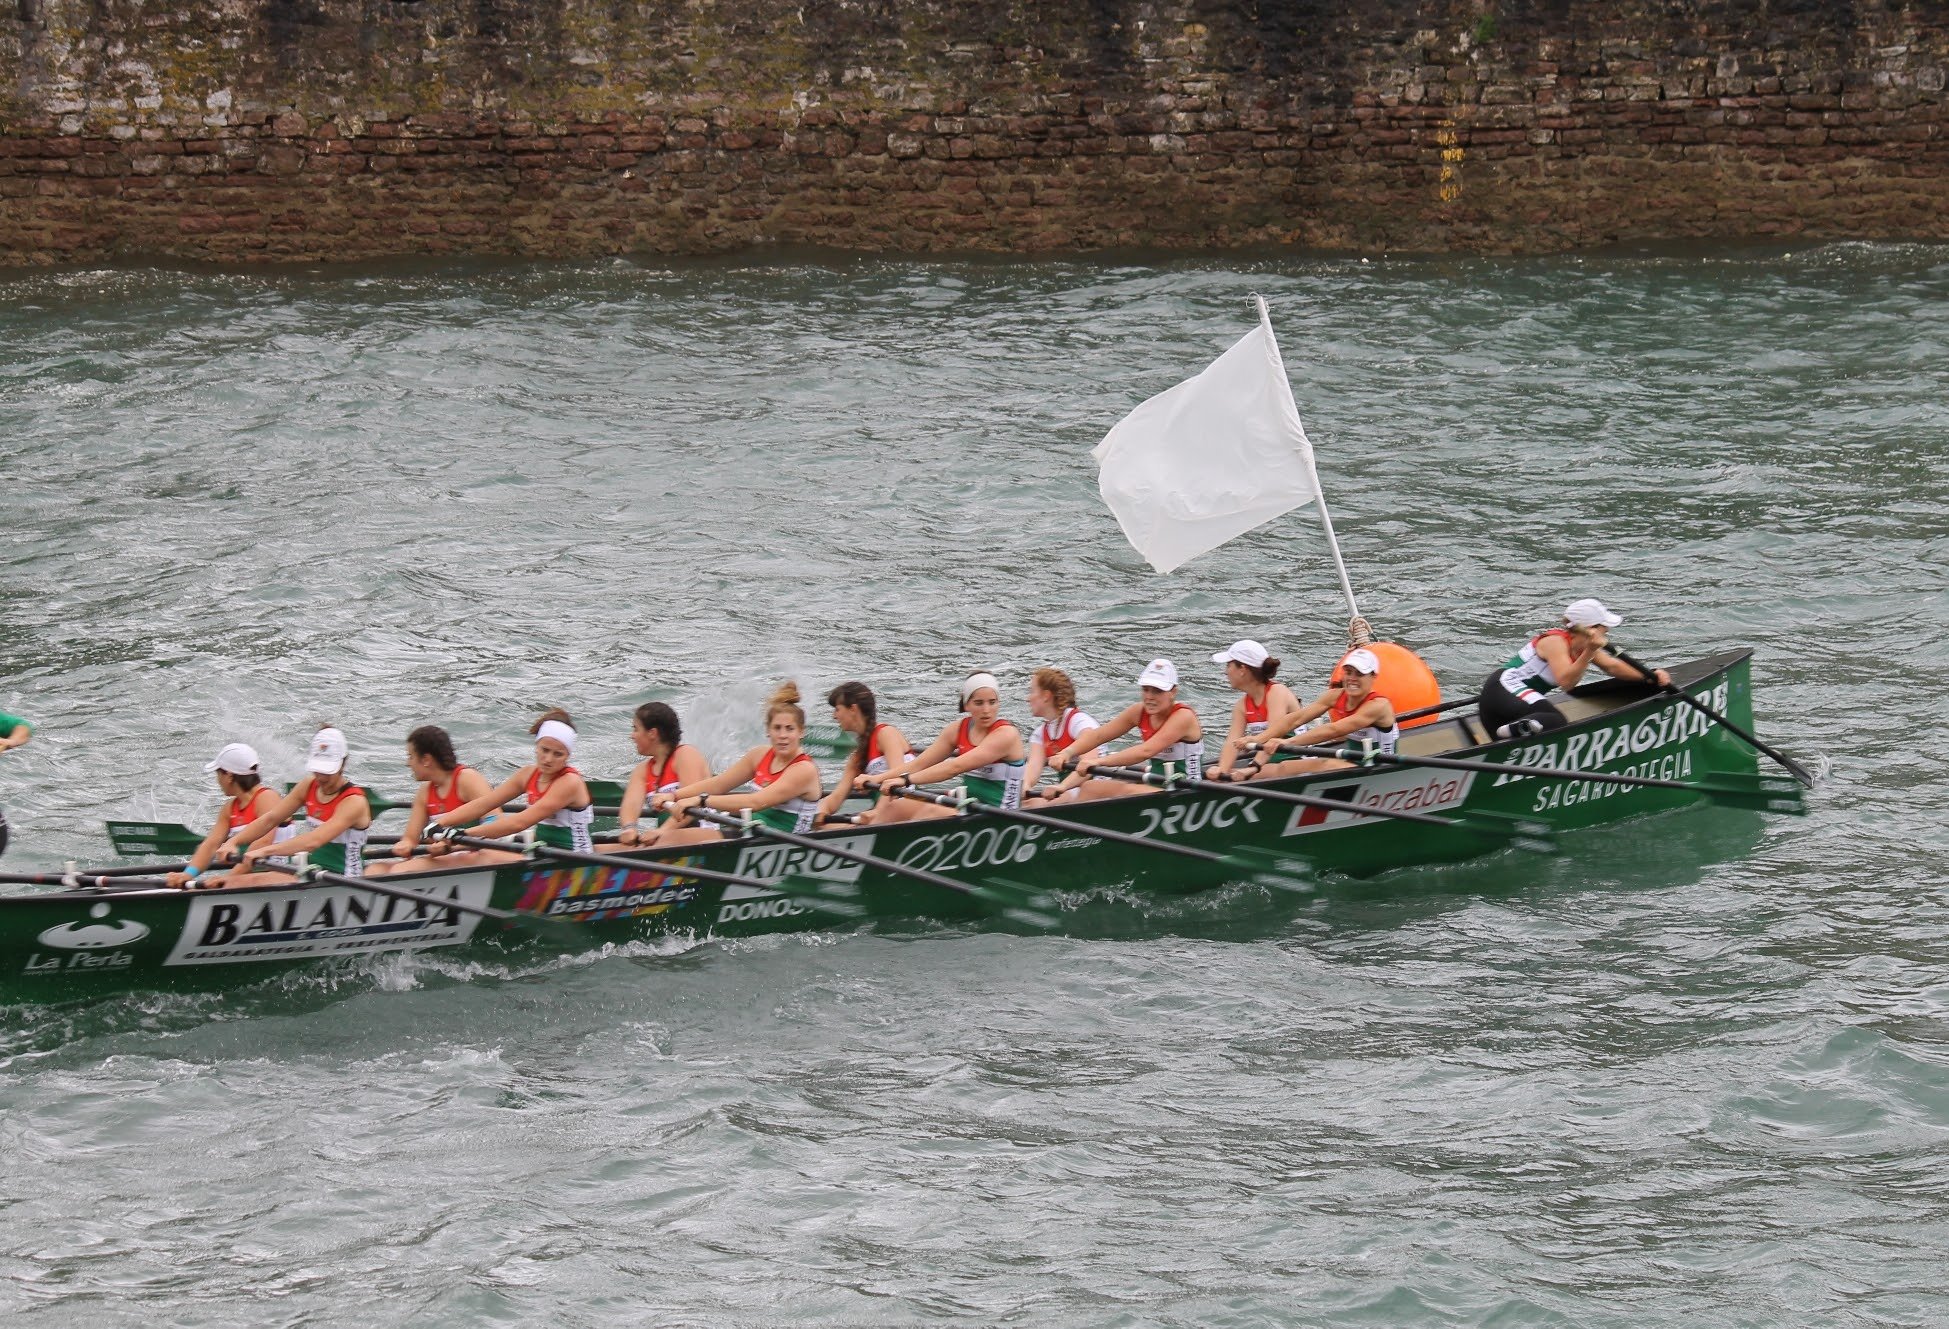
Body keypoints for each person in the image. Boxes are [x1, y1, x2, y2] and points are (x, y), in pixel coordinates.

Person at [652, 682, 825, 846]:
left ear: (801, 732)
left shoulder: (804, 770)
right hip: (750, 829)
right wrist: (674, 796)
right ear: (767, 731)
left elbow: (756, 802)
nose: (783, 735)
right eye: (777, 728)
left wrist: (701, 801)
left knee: (670, 840)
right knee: (666, 834)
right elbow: (719, 784)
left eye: (790, 729)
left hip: (777, 840)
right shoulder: (759, 755)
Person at [1478, 598, 1671, 739]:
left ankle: (1516, 730)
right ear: (1591, 628)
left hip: (1517, 705)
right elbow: (1567, 683)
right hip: (1502, 690)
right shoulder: (1555, 642)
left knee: (1547, 722)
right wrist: (1591, 650)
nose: (1607, 632)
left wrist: (1649, 677)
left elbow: (1613, 667)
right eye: (1604, 628)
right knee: (1556, 719)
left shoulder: (1579, 648)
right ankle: (1514, 729)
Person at [215, 727, 374, 885]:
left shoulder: (354, 801)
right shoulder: (309, 784)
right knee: (234, 881)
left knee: (240, 883)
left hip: (344, 879)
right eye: (318, 769)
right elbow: (270, 819)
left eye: (327, 771)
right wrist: (232, 842)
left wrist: (265, 850)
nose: (321, 777)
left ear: (343, 764)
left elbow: (314, 841)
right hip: (313, 870)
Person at [860, 672, 1026, 822]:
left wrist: (905, 780)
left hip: (1002, 814)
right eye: (978, 703)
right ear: (966, 705)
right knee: (897, 807)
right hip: (970, 805)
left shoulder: (1006, 734)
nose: (986, 710)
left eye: (992, 702)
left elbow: (954, 767)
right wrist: (877, 778)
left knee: (932, 811)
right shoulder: (957, 729)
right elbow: (917, 765)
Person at [429, 710, 595, 858]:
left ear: (567, 756)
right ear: (536, 746)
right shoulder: (527, 774)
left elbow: (519, 823)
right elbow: (484, 803)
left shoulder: (569, 782)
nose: (548, 759)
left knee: (484, 855)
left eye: (558, 754)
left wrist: (461, 834)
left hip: (575, 857)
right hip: (545, 850)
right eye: (545, 750)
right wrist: (440, 824)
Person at [1044, 659, 1203, 802]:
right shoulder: (1139, 711)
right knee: (1090, 787)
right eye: (1146, 689)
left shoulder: (1183, 716)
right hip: (1158, 782)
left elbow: (1145, 751)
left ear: (1173, 692)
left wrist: (1098, 761)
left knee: (1122, 791)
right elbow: (1099, 736)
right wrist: (1067, 753)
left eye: (1157, 691)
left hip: (1186, 789)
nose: (1149, 696)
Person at [366, 725, 497, 876]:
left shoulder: (467, 778)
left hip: (476, 855)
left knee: (401, 870)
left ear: (426, 760)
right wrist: (405, 844)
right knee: (374, 870)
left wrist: (454, 844)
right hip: (446, 858)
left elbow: (494, 821)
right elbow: (410, 838)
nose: (408, 763)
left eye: (410, 757)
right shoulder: (425, 791)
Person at [1249, 647, 1399, 775]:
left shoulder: (1378, 705)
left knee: (1326, 765)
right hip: (1354, 763)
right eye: (1348, 672)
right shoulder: (1335, 696)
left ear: (1373, 677)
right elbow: (1295, 719)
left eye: (1359, 674)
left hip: (1383, 768)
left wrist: (1288, 742)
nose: (1352, 678)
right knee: (1285, 767)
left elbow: (1333, 729)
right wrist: (1259, 738)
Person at [166, 743, 292, 888]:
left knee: (213, 889)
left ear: (229, 776)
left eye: (218, 774)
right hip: (249, 876)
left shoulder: (267, 797)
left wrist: (229, 878)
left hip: (280, 875)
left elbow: (262, 844)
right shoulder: (229, 808)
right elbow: (210, 845)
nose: (217, 780)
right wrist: (187, 874)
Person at [606, 702, 711, 849]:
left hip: (703, 833)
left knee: (662, 842)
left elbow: (690, 805)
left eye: (636, 729)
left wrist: (662, 831)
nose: (632, 736)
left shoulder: (686, 755)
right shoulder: (642, 770)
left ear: (652, 733)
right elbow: (631, 806)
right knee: (601, 849)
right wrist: (629, 828)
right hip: (667, 839)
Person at [816, 682, 912, 825]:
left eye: (837, 709)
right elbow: (837, 796)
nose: (834, 716)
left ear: (853, 709)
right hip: (883, 815)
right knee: (824, 826)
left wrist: (878, 813)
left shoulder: (886, 733)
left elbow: (896, 779)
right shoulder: (857, 756)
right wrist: (819, 812)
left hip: (908, 810)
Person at [1206, 640, 1300, 781]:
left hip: (1293, 758)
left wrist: (1250, 769)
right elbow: (1232, 743)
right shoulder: (1241, 706)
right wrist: (1221, 771)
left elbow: (1272, 736)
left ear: (1242, 669)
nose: (1226, 672)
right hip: (1266, 762)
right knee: (1220, 776)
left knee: (1239, 775)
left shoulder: (1277, 692)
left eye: (1228, 665)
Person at [1020, 667, 1098, 804]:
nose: (1028, 698)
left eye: (1031, 691)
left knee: (1038, 805)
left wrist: (1062, 787)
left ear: (1046, 696)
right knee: (1026, 803)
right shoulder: (1039, 734)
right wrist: (1025, 786)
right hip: (1070, 790)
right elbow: (1033, 768)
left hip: (1096, 785)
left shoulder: (1078, 721)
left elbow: (1090, 764)